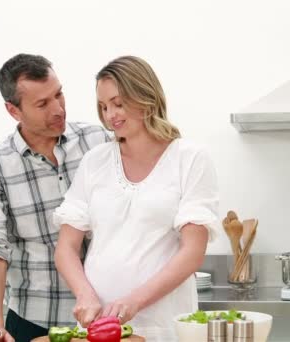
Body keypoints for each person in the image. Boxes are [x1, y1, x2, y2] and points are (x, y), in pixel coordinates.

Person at [53, 56, 219, 341]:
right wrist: (85, 294)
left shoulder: (189, 158)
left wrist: (135, 301)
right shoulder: (95, 161)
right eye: (104, 107)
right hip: (99, 326)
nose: (110, 115)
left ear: (145, 97)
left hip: (162, 322)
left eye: (118, 103)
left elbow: (193, 251)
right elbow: (66, 247)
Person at [0, 53, 109, 342]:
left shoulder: (98, 141)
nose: (58, 109)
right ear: (13, 110)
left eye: (59, 94)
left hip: (103, 319)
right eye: (42, 104)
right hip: (33, 322)